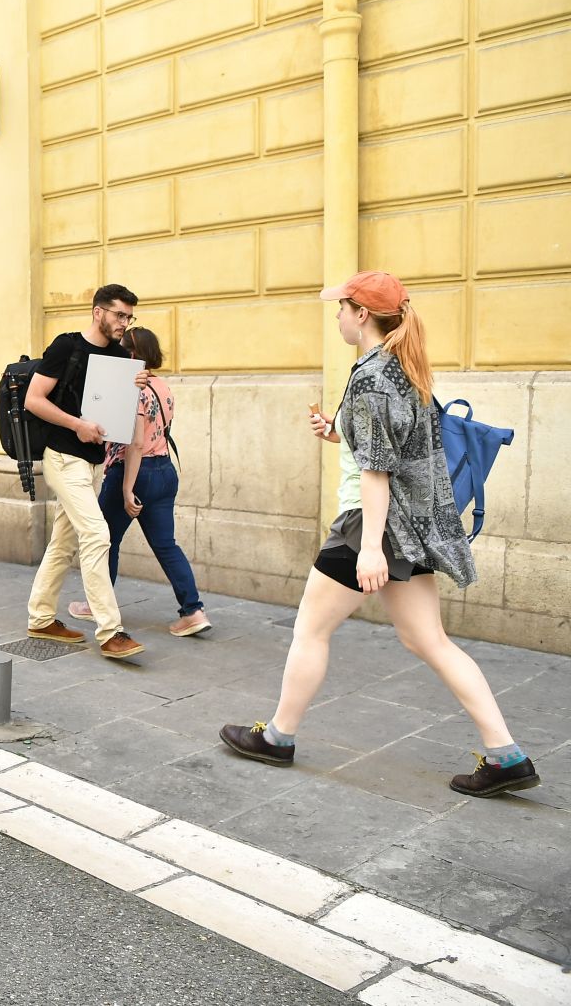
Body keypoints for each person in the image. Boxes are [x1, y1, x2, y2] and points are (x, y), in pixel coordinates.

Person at [221, 271, 538, 798]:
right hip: (412, 527)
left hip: (371, 526)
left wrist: (369, 549)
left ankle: (277, 738)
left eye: (342, 308)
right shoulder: (404, 367)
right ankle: (507, 756)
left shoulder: (371, 376)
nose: (337, 316)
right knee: (428, 640)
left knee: (310, 629)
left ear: (362, 314)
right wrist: (337, 430)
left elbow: (377, 471)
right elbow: (391, 445)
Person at [23, 284, 145, 659]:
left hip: (94, 462)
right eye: (119, 315)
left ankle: (41, 618)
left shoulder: (121, 357)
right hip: (63, 457)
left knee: (64, 542)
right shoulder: (67, 346)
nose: (124, 323)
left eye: (129, 317)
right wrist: (76, 424)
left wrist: (136, 388)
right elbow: (33, 400)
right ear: (98, 312)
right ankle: (110, 631)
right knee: (96, 534)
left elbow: (118, 414)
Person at [68, 326, 210, 637]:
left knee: (104, 540)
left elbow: (135, 443)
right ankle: (193, 611)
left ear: (132, 354)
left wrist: (127, 488)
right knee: (166, 545)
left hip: (134, 471)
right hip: (165, 471)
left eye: (121, 348)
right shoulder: (163, 387)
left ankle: (97, 606)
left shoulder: (134, 391)